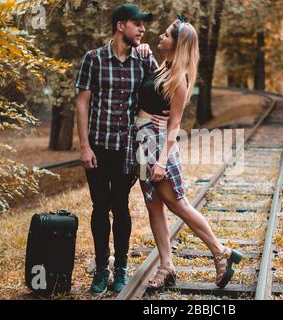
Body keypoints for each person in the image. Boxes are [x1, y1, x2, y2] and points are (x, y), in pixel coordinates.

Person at [127, 17, 243, 292]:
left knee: (177, 203)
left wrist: (162, 161)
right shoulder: (162, 69)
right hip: (142, 140)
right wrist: (144, 52)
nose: (160, 37)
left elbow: (175, 124)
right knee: (153, 204)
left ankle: (220, 252)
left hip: (158, 145)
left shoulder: (179, 78)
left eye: (166, 35)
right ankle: (166, 266)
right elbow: (153, 93)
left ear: (177, 44)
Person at [75, 3, 167, 296]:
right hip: (98, 149)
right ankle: (102, 268)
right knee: (100, 208)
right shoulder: (94, 59)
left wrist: (166, 116)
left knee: (121, 207)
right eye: (137, 24)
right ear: (120, 26)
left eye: (143, 25)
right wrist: (85, 146)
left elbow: (165, 85)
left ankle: (122, 267)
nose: (143, 29)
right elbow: (82, 103)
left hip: (128, 149)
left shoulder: (142, 61)